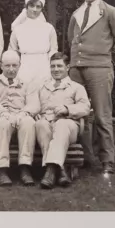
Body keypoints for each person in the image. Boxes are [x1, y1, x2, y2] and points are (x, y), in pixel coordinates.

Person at [67, 0, 115, 174]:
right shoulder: (76, 13)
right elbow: (71, 40)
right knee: (79, 113)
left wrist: (108, 59)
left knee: (102, 115)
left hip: (100, 68)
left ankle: (107, 160)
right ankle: (83, 157)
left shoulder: (110, 11)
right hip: (77, 68)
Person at [0, 50, 39, 186]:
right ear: (1, 65)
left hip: (21, 118)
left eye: (14, 65)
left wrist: (22, 113)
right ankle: (1, 169)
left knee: (29, 122)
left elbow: (34, 104)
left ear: (20, 65)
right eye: (7, 66)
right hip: (1, 120)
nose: (11, 69)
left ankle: (25, 167)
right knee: (3, 123)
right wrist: (5, 114)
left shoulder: (27, 84)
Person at [35, 52, 90, 189]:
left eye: (59, 66)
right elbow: (33, 104)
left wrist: (67, 109)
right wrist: (34, 113)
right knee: (41, 123)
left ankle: (50, 171)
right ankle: (60, 169)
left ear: (68, 67)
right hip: (46, 124)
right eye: (53, 66)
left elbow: (85, 107)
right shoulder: (42, 87)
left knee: (61, 124)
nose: (56, 69)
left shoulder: (77, 87)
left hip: (68, 127)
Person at [9, 0, 58, 89]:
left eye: (38, 6)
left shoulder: (49, 28)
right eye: (31, 6)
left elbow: (53, 49)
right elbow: (13, 51)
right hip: (24, 66)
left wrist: (51, 69)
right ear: (26, 7)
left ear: (41, 8)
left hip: (44, 66)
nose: (35, 9)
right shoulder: (17, 29)